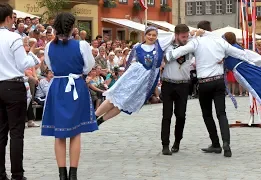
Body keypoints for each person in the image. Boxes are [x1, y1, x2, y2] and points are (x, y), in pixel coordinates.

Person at [165, 21, 253, 158]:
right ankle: (226, 143)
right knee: (221, 114)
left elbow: (181, 50)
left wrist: (168, 56)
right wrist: (253, 60)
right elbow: (238, 53)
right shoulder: (220, 41)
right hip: (218, 81)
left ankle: (216, 144)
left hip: (204, 82)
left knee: (207, 115)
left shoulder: (197, 42)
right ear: (210, 29)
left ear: (199, 30)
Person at [41, 12, 97, 180]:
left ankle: (62, 174)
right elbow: (88, 66)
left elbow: (50, 66)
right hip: (75, 86)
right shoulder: (82, 45)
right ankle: (73, 174)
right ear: (73, 27)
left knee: (59, 134)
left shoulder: (49, 46)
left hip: (57, 87)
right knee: (75, 132)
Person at [95, 26, 173, 125]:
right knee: (114, 97)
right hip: (134, 76)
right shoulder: (138, 47)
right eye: (149, 34)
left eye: (154, 35)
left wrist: (194, 34)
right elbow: (130, 63)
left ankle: (101, 121)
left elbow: (175, 35)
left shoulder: (160, 45)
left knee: (123, 103)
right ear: (144, 35)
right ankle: (94, 117)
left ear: (157, 36)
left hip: (146, 80)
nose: (151, 37)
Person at [0, 3, 41, 180]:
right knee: (16, 132)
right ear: (8, 18)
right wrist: (32, 53)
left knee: (0, 132)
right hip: (13, 85)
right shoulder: (13, 37)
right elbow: (23, 64)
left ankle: (0, 173)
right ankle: (17, 174)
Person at [161, 24, 192, 155]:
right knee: (166, 116)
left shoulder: (191, 46)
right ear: (176, 35)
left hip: (183, 85)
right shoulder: (167, 46)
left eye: (187, 36)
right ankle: (165, 144)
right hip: (168, 84)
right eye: (183, 36)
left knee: (181, 116)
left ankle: (177, 141)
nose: (185, 39)